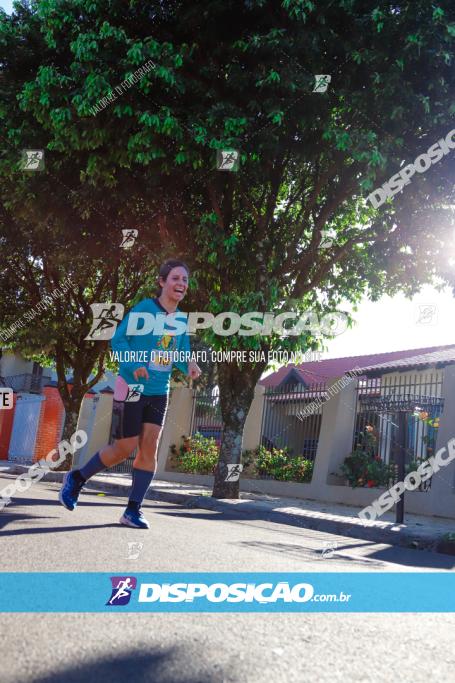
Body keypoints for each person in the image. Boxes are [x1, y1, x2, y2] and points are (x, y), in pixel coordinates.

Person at [59, 259, 201, 528]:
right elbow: (118, 340)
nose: (181, 283)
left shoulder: (182, 319)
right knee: (124, 448)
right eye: (175, 278)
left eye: (185, 280)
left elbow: (181, 353)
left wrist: (190, 365)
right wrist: (134, 364)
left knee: (150, 446)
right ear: (162, 282)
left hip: (160, 390)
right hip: (132, 386)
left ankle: (133, 510)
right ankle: (77, 478)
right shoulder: (146, 309)